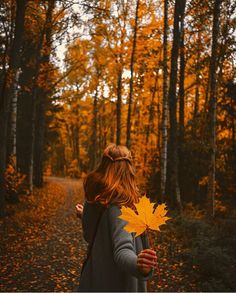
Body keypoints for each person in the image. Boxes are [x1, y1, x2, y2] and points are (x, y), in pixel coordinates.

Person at [76, 144, 157, 292]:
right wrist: (137, 263)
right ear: (129, 170)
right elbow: (123, 249)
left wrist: (83, 215)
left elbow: (91, 235)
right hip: (117, 285)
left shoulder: (95, 199)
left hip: (95, 280)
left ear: (103, 166)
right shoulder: (120, 207)